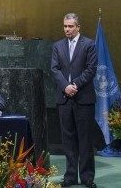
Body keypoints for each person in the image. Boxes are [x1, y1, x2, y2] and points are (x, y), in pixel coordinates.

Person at [51, 13, 97, 188]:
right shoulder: (57, 46)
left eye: (70, 26)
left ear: (78, 27)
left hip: (83, 99)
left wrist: (74, 85)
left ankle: (87, 177)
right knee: (68, 140)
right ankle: (70, 176)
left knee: (85, 140)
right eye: (65, 26)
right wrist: (65, 86)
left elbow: (91, 69)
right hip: (64, 99)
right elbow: (54, 69)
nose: (67, 29)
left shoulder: (89, 44)